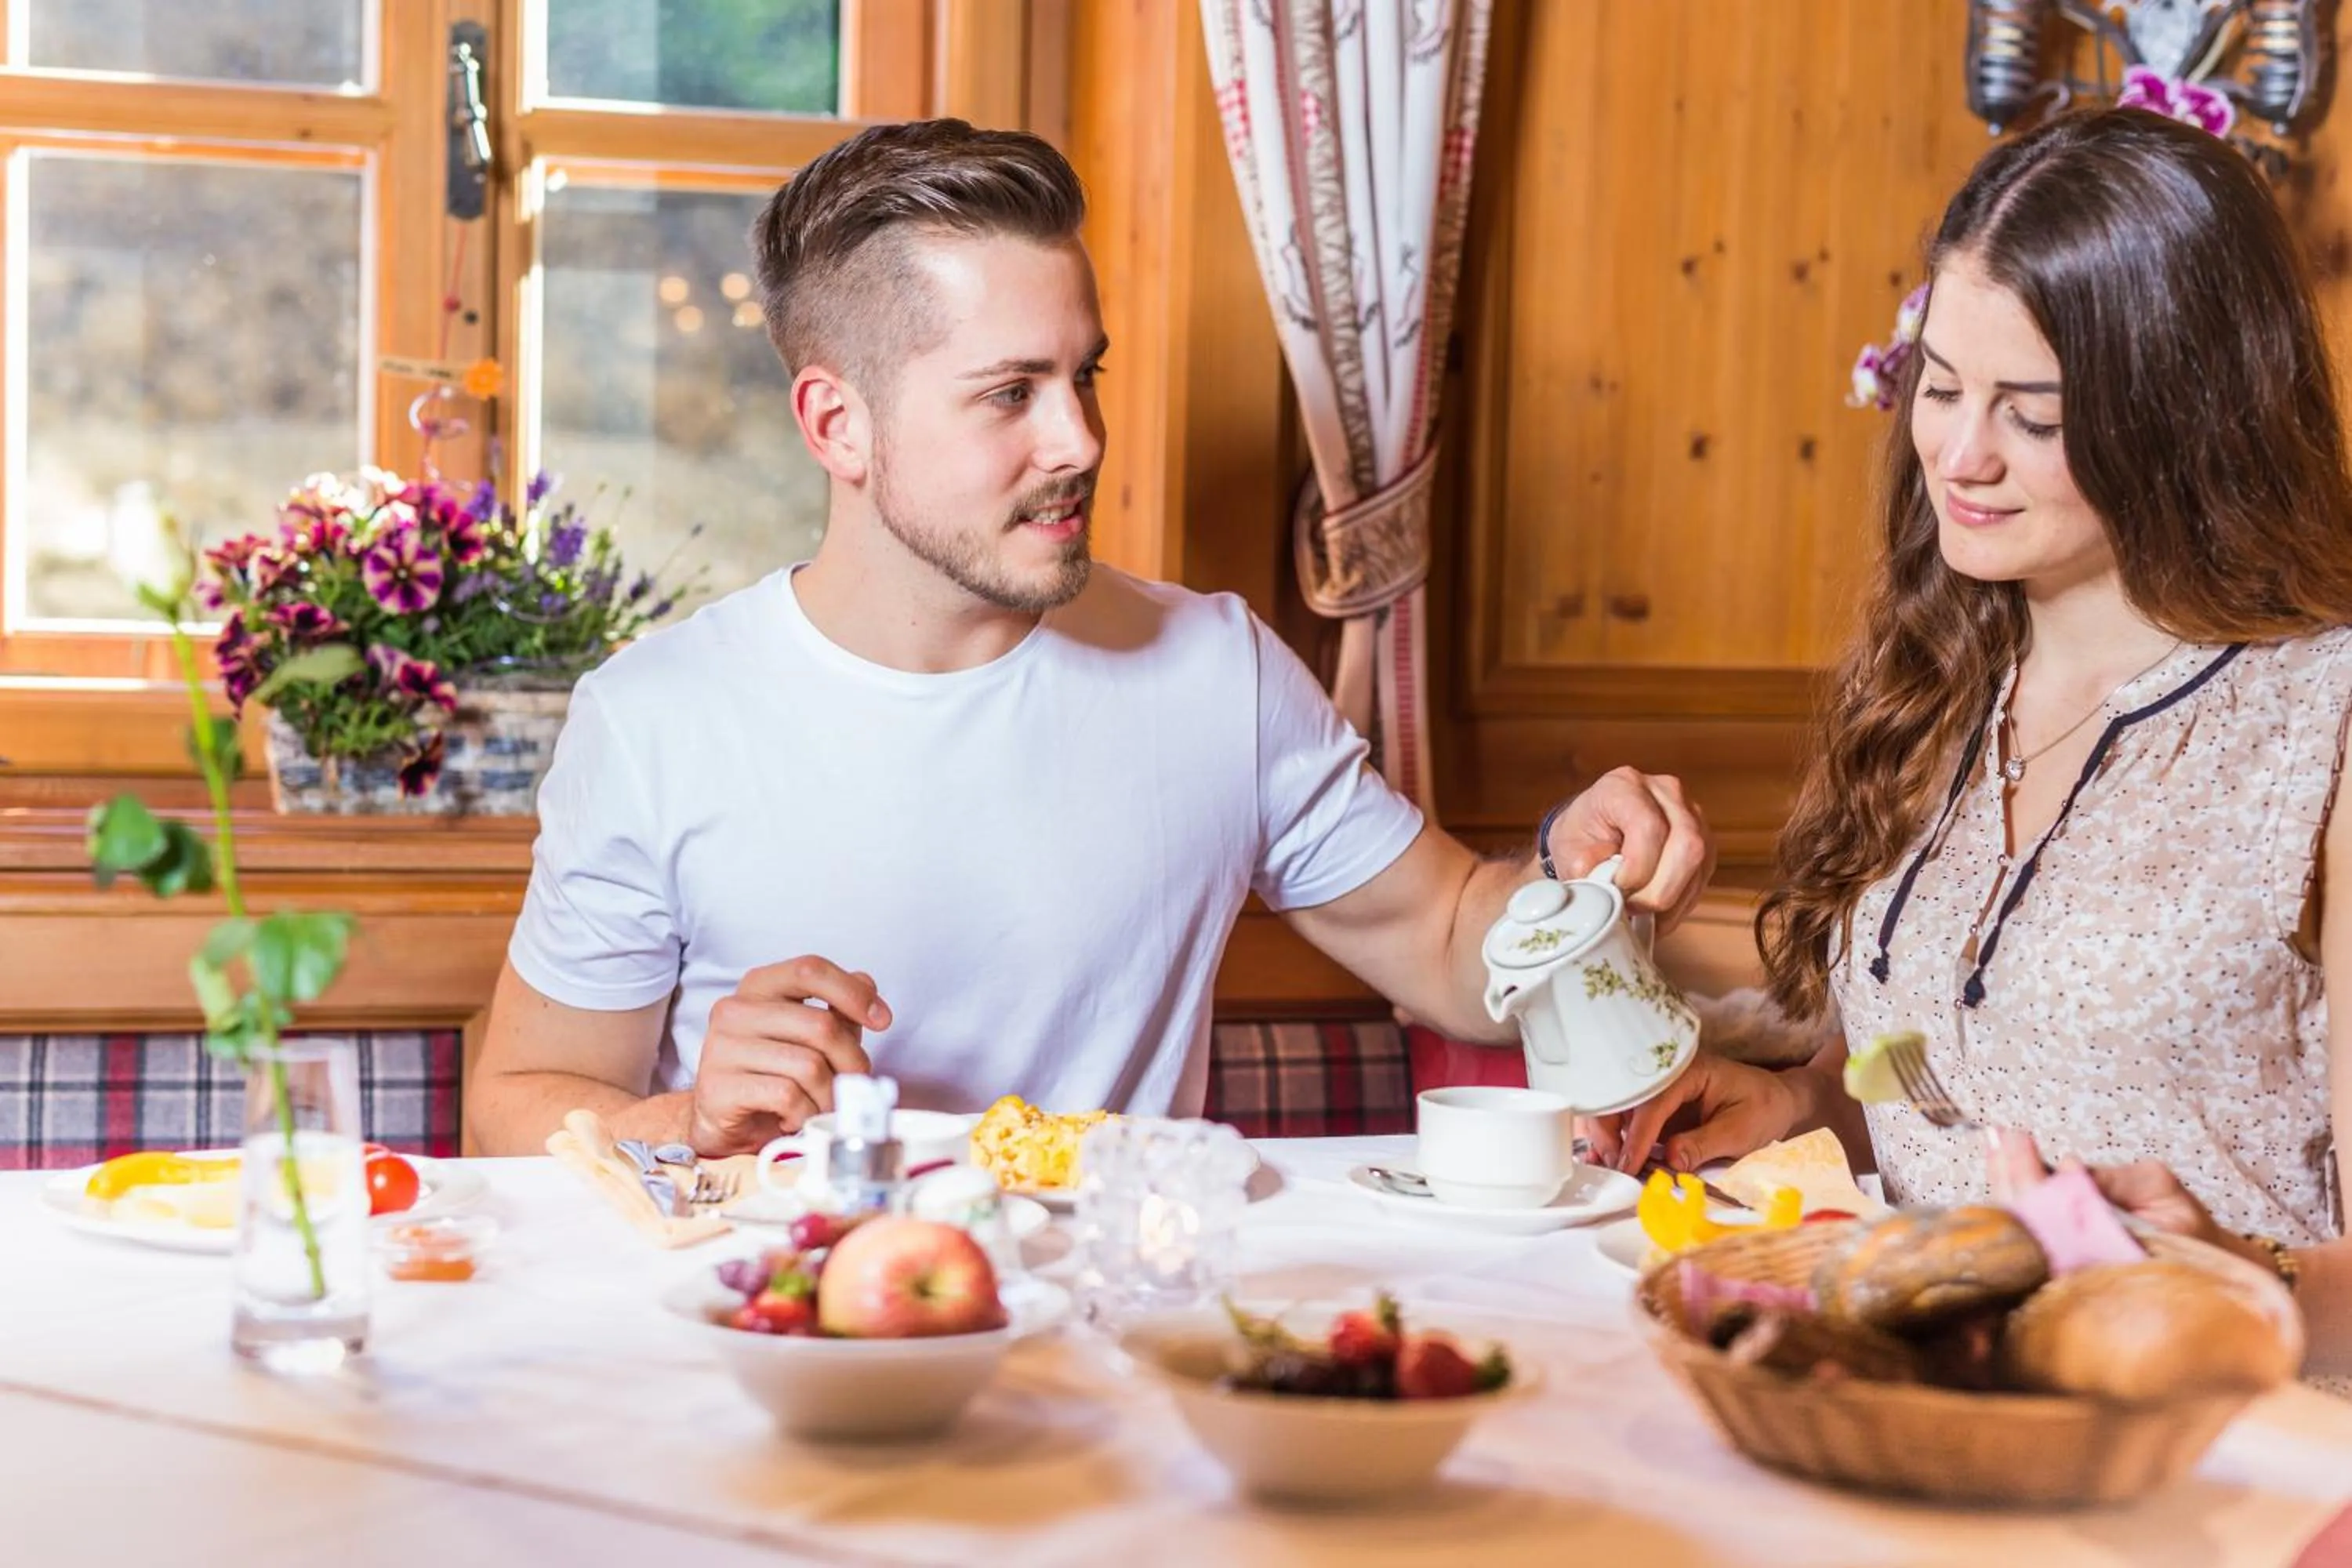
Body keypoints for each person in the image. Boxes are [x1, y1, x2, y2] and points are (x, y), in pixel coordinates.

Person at [466, 120, 1715, 1160]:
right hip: (789, 1333)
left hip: (1120, 1335)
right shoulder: (658, 718)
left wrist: (1578, 869)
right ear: (837, 424)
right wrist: (689, 1117)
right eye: (1011, 393)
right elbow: (513, 1106)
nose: (1079, 441)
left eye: (1086, 377)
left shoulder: (1215, 669)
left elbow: (1445, 943)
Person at [1588, 109, 2350, 1382]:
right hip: (1927, 1403)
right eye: (1940, 388)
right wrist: (1800, 1103)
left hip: (2224, 1433)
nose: (1958, 453)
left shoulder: (2322, 722)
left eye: (2032, 416)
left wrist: (2234, 1275)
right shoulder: (1941, 680)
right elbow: (1949, 1075)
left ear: (2188, 414)